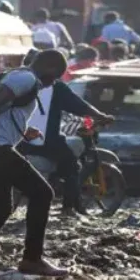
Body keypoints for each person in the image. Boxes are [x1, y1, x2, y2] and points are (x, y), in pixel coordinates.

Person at [0, 49, 81, 280]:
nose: (51, 84)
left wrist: (23, 133)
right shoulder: (25, 78)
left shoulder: (22, 79)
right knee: (43, 193)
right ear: (50, 69)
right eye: (54, 78)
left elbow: (1, 117)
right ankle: (32, 258)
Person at [22, 52, 114, 217]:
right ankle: (67, 209)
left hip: (16, 139)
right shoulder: (56, 87)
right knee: (73, 167)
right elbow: (79, 106)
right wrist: (100, 116)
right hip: (44, 141)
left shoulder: (17, 80)